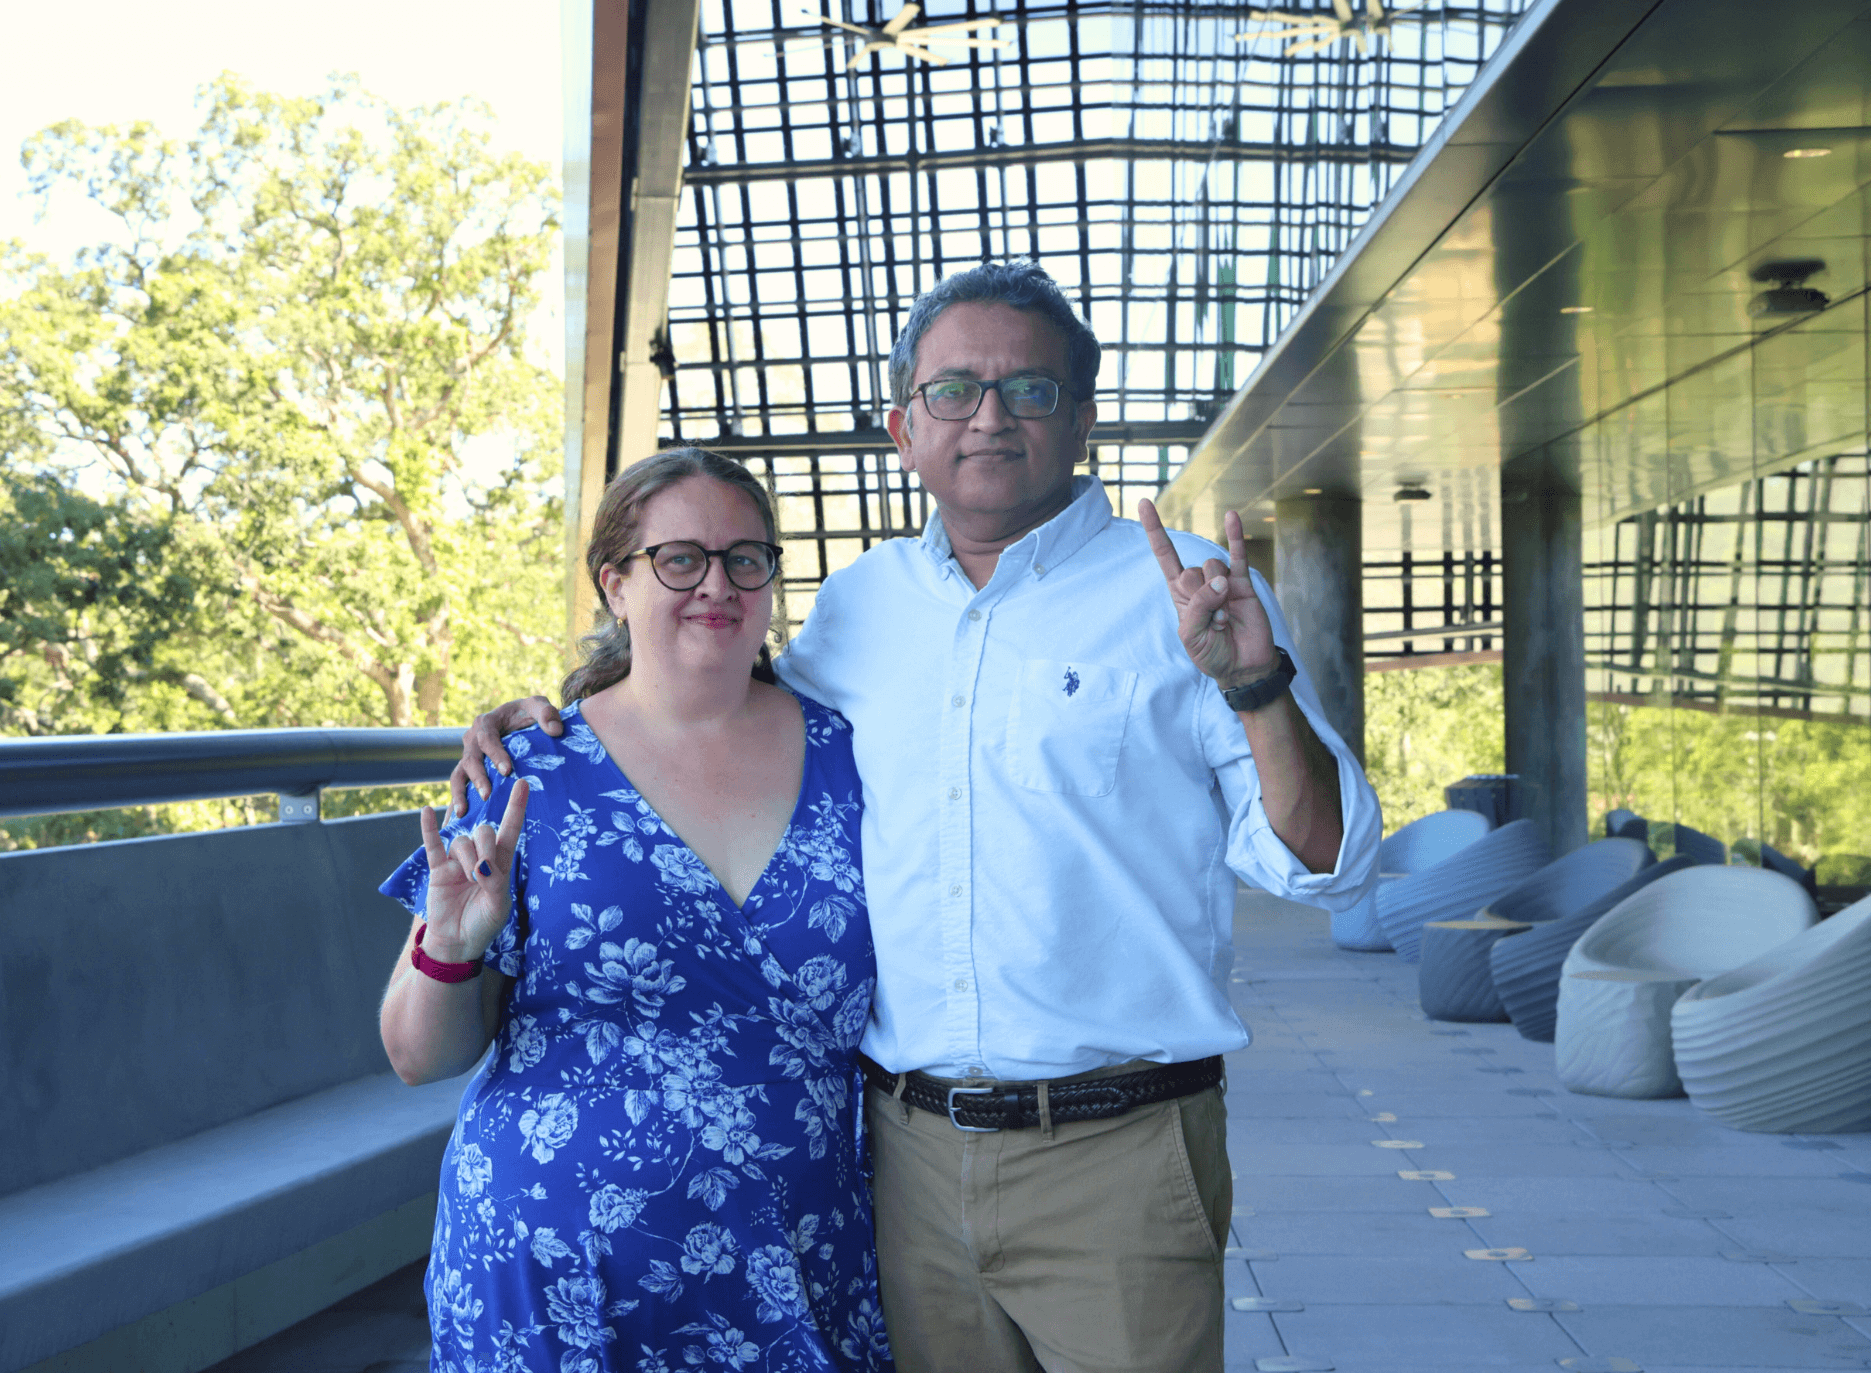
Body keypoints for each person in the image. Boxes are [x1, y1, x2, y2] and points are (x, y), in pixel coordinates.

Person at [450, 262, 1381, 1373]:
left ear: (1080, 418)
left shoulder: (1186, 597)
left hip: (1120, 1150)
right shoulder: (858, 607)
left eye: (1028, 390)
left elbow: (1326, 864)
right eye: (953, 390)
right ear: (902, 425)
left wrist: (1256, 684)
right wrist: (546, 717)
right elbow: (702, 691)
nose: (988, 416)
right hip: (900, 1160)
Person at [379, 448, 891, 1372]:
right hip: (559, 1268)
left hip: (798, 1258)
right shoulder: (523, 773)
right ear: (615, 584)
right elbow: (418, 1056)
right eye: (680, 559)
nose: (718, 585)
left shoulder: (860, 756)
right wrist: (449, 951)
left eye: (746, 558)